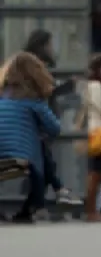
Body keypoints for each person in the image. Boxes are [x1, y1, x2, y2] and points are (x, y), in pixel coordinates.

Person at [0, 52, 63, 224]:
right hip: (22, 163)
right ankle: (32, 208)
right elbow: (55, 129)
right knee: (41, 155)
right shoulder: (33, 101)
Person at [22, 29, 81, 207]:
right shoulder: (34, 65)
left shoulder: (35, 64)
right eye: (49, 44)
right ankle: (50, 194)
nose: (51, 47)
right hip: (37, 120)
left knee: (40, 163)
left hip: (40, 120)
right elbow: (45, 91)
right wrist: (69, 85)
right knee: (41, 163)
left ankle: (34, 203)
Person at [79, 54, 101, 222]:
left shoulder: (91, 85)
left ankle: (93, 208)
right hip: (99, 130)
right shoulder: (97, 86)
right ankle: (91, 210)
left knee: (97, 172)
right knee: (96, 172)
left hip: (95, 130)